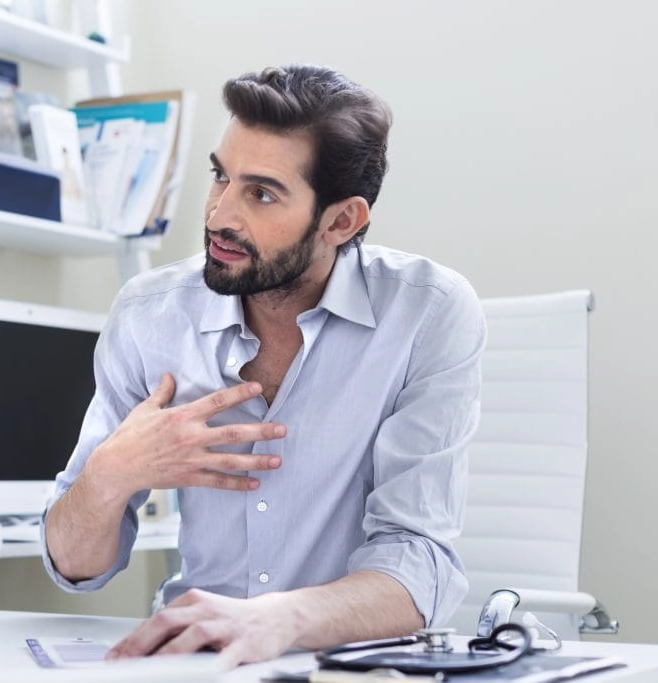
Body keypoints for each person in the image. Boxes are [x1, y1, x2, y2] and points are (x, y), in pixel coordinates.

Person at [41, 63, 486, 668]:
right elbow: (75, 567)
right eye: (220, 176)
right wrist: (110, 474)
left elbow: (419, 563)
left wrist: (276, 619)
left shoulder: (427, 312)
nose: (220, 215)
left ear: (341, 221)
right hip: (195, 662)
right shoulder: (149, 314)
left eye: (262, 193)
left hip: (351, 668)